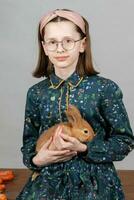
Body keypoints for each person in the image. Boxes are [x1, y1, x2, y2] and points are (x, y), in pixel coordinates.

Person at [16, 8, 134, 200]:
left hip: (96, 183)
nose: (60, 49)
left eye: (68, 41)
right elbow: (29, 142)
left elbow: (125, 142)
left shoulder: (104, 89)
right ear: (44, 47)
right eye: (53, 42)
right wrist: (37, 160)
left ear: (82, 44)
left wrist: (86, 149)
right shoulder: (36, 93)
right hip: (48, 180)